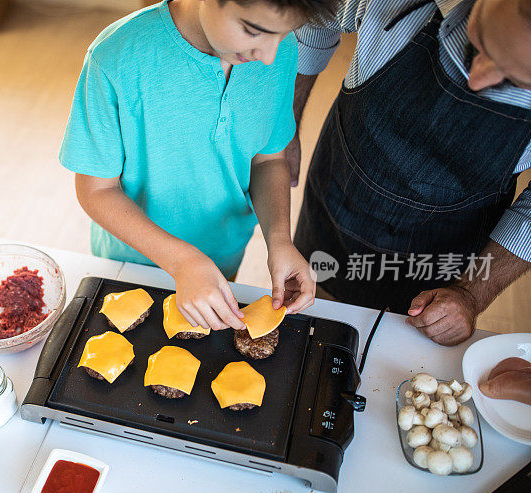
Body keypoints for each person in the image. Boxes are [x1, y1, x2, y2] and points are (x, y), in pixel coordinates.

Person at [59, 0, 335, 330]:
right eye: (252, 30)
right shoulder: (114, 58)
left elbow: (268, 159)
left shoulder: (280, 51)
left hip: (222, 256)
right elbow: (97, 191)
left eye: (285, 33)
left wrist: (279, 240)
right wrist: (183, 261)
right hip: (132, 262)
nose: (269, 55)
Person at [287, 0, 531, 345]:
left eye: (514, 82)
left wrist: (471, 294)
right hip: (336, 204)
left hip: (438, 260)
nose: (477, 78)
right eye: (478, 42)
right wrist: (286, 124)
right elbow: (314, 17)